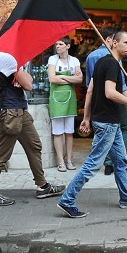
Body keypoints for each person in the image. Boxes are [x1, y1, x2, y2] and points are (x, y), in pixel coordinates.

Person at [57, 31, 127, 218]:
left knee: (120, 161)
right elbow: (109, 92)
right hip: (107, 123)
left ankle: (126, 198)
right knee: (92, 164)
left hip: (108, 122)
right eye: (126, 43)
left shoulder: (101, 62)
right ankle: (67, 200)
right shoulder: (112, 64)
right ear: (114, 43)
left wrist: (87, 117)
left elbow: (90, 91)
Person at [0, 51, 65, 206]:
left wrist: (22, 75)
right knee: (1, 154)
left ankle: (42, 186)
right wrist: (22, 74)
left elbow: (26, 81)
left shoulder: (5, 57)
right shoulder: (7, 59)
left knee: (34, 145)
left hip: (19, 110)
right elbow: (28, 84)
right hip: (11, 112)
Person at [84, 26, 127, 175]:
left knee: (109, 133)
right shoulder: (113, 58)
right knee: (123, 128)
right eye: (126, 43)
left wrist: (87, 115)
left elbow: (90, 86)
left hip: (98, 101)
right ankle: (117, 161)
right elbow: (120, 82)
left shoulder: (92, 56)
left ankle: (111, 164)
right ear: (111, 40)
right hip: (115, 99)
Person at [47, 36, 83, 172]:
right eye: (57, 44)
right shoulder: (52, 59)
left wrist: (61, 77)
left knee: (69, 132)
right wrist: (70, 79)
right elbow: (52, 78)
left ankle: (69, 160)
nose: (58, 46)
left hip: (69, 100)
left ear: (68, 46)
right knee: (57, 133)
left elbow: (80, 79)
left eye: (61, 44)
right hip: (56, 99)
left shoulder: (74, 60)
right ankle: (60, 162)